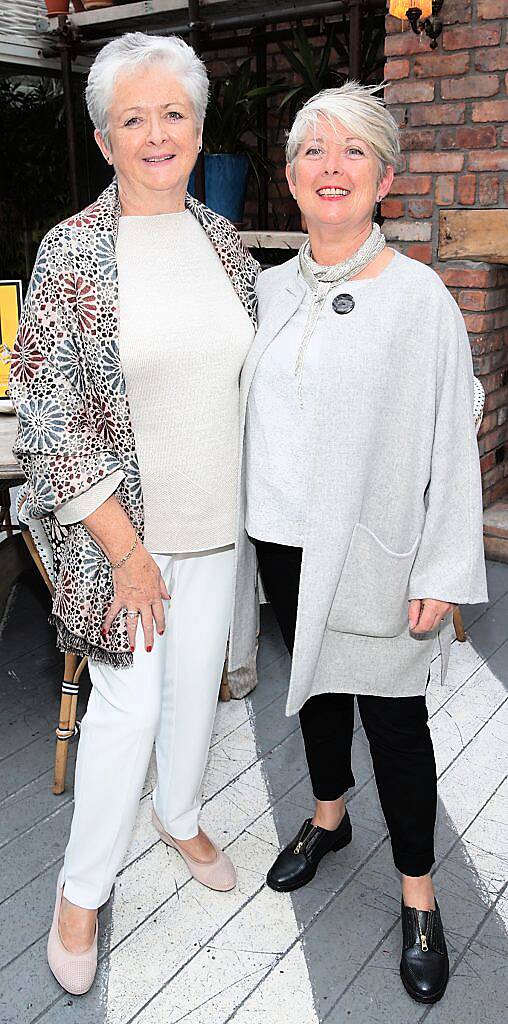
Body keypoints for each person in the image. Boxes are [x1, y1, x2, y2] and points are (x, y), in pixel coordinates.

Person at [10, 32, 258, 996]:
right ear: (105, 140)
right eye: (133, 119)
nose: (157, 133)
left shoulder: (225, 241)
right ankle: (80, 891)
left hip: (218, 524)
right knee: (132, 707)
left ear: (198, 128)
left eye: (174, 114)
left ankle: (182, 811)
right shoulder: (72, 251)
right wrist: (123, 548)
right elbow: (46, 410)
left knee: (197, 689)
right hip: (123, 540)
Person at [228, 82, 487, 1005]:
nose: (329, 166)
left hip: (378, 549)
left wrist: (447, 567)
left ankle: (420, 896)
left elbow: (450, 443)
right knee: (314, 687)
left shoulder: (420, 299)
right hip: (283, 540)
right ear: (290, 175)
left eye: (351, 151)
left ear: (385, 177)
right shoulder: (264, 291)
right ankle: (329, 817)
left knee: (395, 722)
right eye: (311, 150)